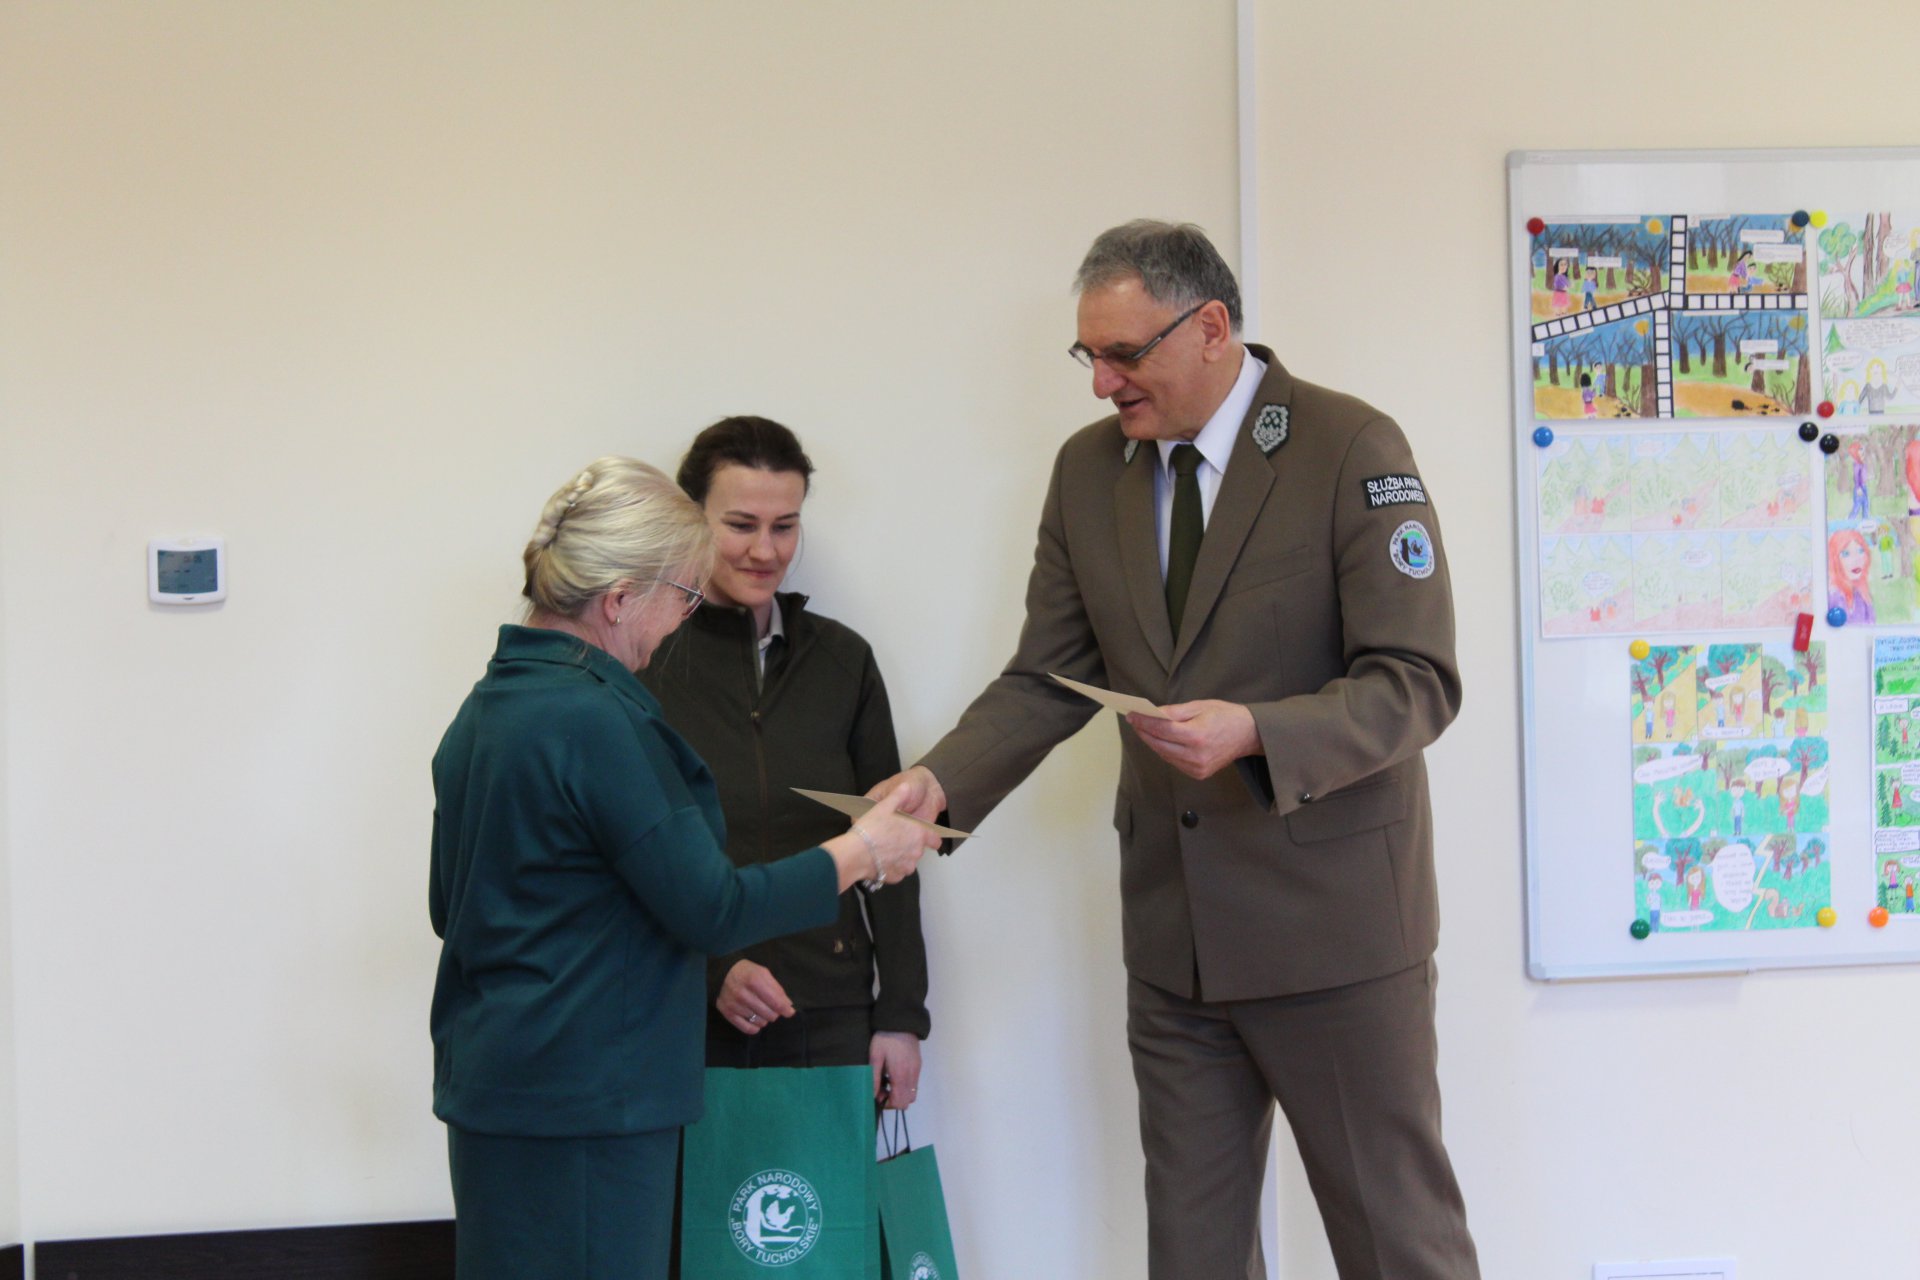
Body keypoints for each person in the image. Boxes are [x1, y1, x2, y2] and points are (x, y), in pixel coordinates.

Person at [871, 221, 1479, 1279]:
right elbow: (1046, 674)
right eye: (1088, 354)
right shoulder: (1085, 472)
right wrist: (938, 782)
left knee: (1398, 1246)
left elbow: (1416, 680)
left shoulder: (1349, 447)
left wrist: (1258, 731)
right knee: (1193, 1258)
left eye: (1124, 354)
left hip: (1335, 936)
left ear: (1211, 328)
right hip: (1175, 944)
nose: (1100, 382)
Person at [428, 456, 936, 1280]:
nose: (680, 623)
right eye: (682, 597)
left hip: (499, 1086)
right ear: (620, 599)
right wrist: (862, 851)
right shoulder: (596, 720)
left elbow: (448, 904)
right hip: (592, 1097)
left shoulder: (489, 708)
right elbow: (713, 906)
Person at [640, 417, 930, 1107]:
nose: (765, 550)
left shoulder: (844, 661)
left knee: (829, 1187)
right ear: (692, 519)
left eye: (786, 526)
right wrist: (714, 971)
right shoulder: (646, 661)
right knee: (697, 1187)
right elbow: (629, 859)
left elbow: (893, 843)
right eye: (741, 525)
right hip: (682, 1016)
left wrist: (901, 1016)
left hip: (828, 1013)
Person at [1828, 527, 1876, 624]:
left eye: (1861, 551)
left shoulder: (1862, 595)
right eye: (1846, 554)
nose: (1856, 559)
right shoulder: (1831, 596)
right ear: (1834, 559)